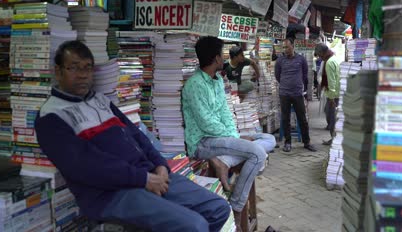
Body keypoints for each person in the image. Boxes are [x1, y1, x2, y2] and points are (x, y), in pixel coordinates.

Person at [35, 40, 230, 232]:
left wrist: (160, 165)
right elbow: (88, 167)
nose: (83, 75)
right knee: (195, 226)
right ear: (58, 71)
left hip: (147, 175)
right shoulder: (51, 116)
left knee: (218, 208)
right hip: (110, 194)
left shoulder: (99, 100)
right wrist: (143, 179)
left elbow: (137, 136)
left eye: (87, 68)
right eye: (74, 68)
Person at [182, 36, 267, 231]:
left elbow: (224, 113)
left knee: (266, 139)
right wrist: (235, 138)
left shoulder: (217, 81)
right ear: (215, 58)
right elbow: (206, 122)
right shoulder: (195, 85)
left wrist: (234, 135)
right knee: (258, 153)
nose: (223, 58)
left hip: (220, 139)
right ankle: (237, 205)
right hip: (203, 142)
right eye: (221, 54)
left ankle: (222, 162)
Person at [274, 37, 316, 152]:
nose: (285, 49)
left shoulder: (301, 59)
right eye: (283, 47)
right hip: (284, 93)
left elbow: (305, 76)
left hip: (297, 93)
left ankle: (307, 142)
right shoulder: (280, 60)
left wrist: (305, 91)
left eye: (287, 47)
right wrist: (286, 83)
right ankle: (288, 143)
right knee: (285, 118)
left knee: (302, 118)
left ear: (293, 46)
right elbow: (277, 76)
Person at [314, 43, 340, 146]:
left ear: (322, 53)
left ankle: (334, 139)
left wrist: (332, 98)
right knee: (330, 115)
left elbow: (331, 81)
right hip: (336, 93)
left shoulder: (329, 63)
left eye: (319, 55)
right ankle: (333, 138)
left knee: (332, 117)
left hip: (333, 95)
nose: (319, 57)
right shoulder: (333, 59)